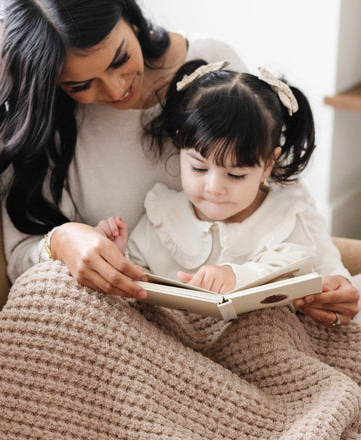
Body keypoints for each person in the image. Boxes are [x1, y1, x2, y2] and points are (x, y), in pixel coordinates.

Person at [0, 0, 361, 366]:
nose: (112, 90)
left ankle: (292, 412)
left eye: (118, 59)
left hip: (262, 317)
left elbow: (277, 197)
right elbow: (22, 262)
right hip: (151, 339)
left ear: (129, 16)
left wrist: (337, 288)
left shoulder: (211, 62)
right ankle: (266, 418)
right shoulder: (35, 123)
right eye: (79, 85)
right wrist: (62, 242)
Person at [95, 60, 326, 297]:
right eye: (199, 168)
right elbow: (137, 282)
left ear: (268, 164)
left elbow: (298, 272)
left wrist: (235, 276)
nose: (214, 189)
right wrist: (117, 255)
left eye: (236, 175)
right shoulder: (162, 215)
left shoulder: (283, 216)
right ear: (181, 148)